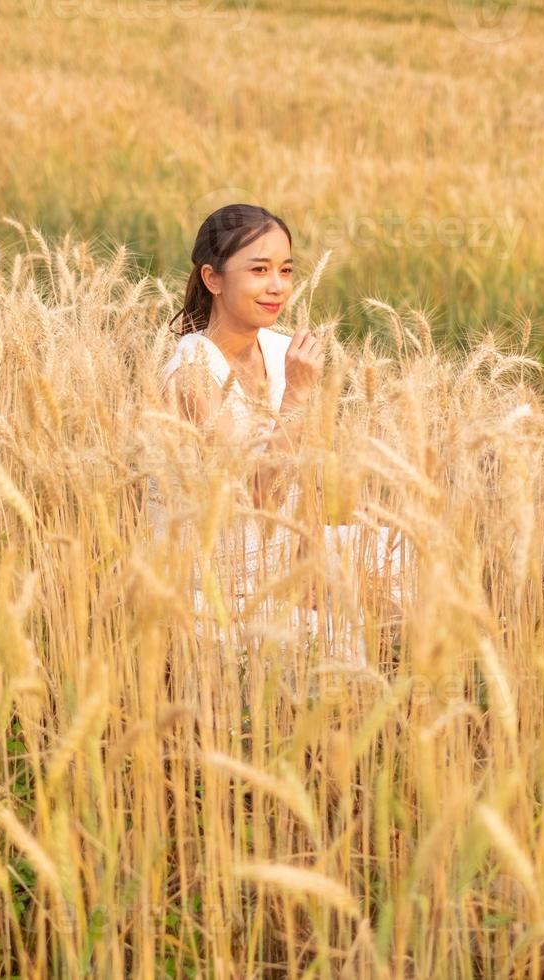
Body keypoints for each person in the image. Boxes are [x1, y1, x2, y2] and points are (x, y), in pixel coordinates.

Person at [144, 204, 410, 668]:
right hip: (219, 577)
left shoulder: (282, 350)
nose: (277, 286)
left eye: (286, 270)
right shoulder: (192, 372)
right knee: (333, 643)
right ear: (213, 279)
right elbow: (254, 494)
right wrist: (299, 397)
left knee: (410, 554)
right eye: (259, 270)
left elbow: (307, 476)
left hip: (281, 550)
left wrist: (308, 566)